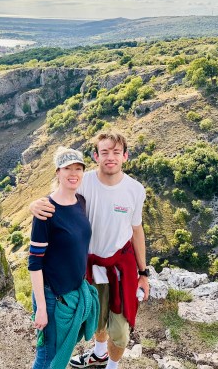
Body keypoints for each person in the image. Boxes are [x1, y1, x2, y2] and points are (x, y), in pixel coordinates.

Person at [30, 131, 149, 369]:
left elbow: (137, 230)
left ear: (125, 156)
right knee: (97, 323)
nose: (110, 157)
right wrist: (33, 204)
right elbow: (58, 198)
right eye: (104, 152)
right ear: (96, 156)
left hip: (119, 268)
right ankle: (98, 353)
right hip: (90, 270)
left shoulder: (135, 190)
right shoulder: (86, 184)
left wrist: (144, 273)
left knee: (121, 333)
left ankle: (111, 366)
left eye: (116, 152)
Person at [29, 147, 99, 369]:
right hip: (51, 296)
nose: (73, 173)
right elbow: (35, 264)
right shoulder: (45, 211)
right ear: (57, 172)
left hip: (72, 294)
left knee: (59, 351)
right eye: (68, 168)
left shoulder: (80, 202)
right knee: (47, 355)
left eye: (78, 168)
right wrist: (41, 307)